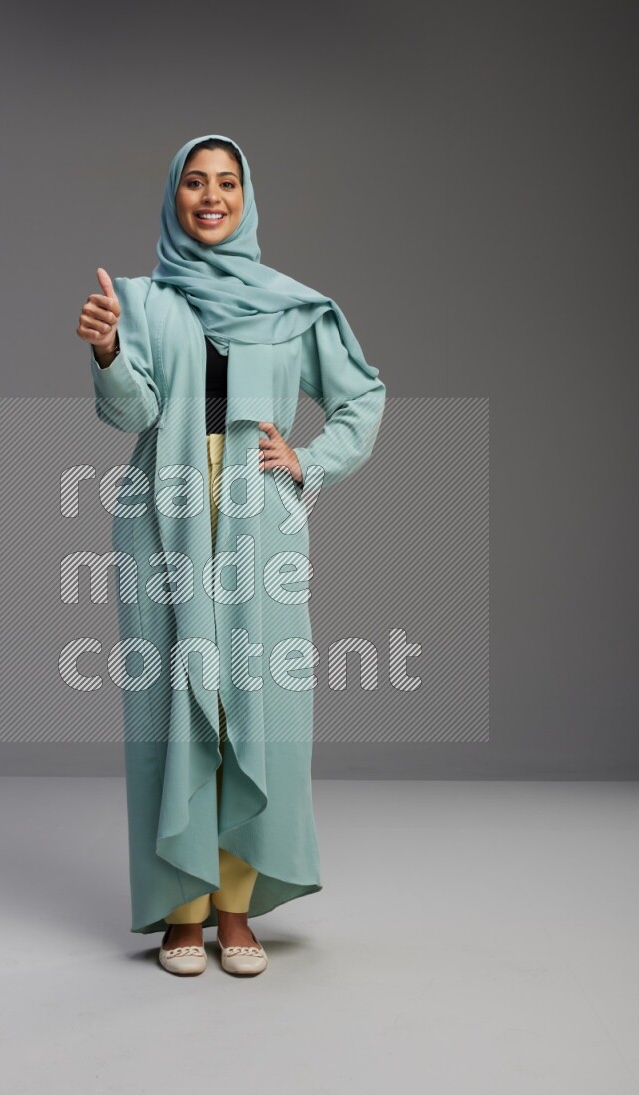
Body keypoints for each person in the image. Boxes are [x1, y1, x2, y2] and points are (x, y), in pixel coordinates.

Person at [76, 133, 386, 976]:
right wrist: (107, 350)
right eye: (193, 183)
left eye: (225, 183)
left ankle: (237, 908)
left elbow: (361, 394)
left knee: (258, 704)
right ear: (173, 196)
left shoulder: (293, 307)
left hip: (260, 517)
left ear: (247, 198)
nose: (209, 197)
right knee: (176, 704)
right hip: (163, 515)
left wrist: (310, 463)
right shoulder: (141, 299)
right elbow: (131, 410)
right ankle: (183, 911)